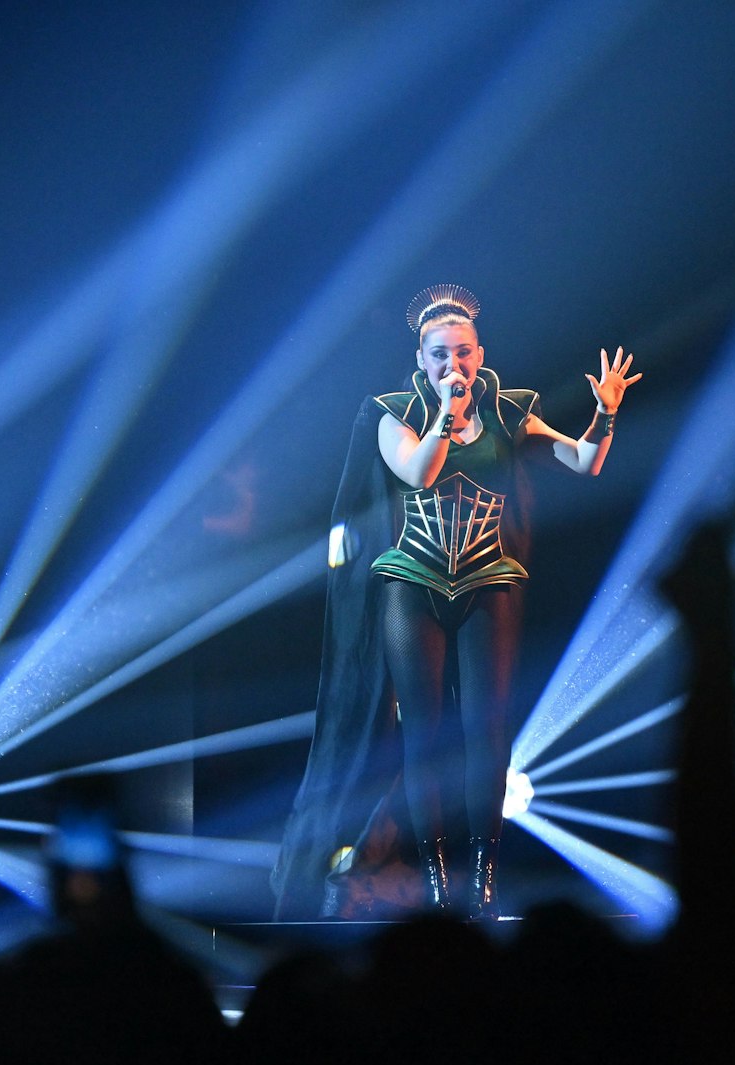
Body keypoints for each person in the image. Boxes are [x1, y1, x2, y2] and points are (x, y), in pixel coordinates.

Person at [273, 284, 640, 919]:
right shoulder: (394, 412)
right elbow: (418, 472)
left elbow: (583, 463)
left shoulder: (507, 410)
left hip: (487, 579)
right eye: (440, 355)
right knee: (422, 736)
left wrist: (603, 414)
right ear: (422, 361)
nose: (454, 366)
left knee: (486, 734)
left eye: (464, 354)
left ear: (480, 354)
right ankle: (439, 880)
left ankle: (483, 877)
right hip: (411, 582)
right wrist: (446, 410)